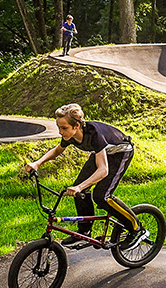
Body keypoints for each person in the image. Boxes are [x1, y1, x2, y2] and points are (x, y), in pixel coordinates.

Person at [23, 103, 145, 251]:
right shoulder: (71, 136)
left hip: (121, 153)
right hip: (103, 153)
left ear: (77, 126)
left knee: (102, 196)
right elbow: (57, 151)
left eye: (64, 128)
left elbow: (103, 170)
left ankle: (136, 228)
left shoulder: (94, 135)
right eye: (59, 127)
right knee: (80, 192)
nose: (61, 132)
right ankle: (85, 231)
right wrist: (37, 163)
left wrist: (80, 187)